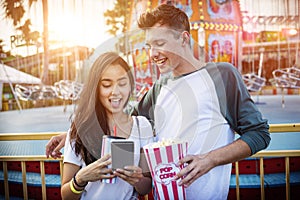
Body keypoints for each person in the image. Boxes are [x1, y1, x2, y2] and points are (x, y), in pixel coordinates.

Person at [46, 4, 270, 200]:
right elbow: (125, 121)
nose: (152, 53)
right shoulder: (160, 87)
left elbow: (259, 134)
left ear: (183, 38)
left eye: (160, 43)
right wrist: (74, 134)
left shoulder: (222, 76)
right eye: (149, 46)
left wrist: (209, 160)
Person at [59, 52, 153, 200]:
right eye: (107, 85)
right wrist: (81, 179)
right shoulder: (80, 128)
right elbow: (66, 196)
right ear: (96, 89)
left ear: (130, 86)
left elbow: (145, 188)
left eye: (122, 84)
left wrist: (136, 179)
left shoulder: (142, 126)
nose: (115, 92)